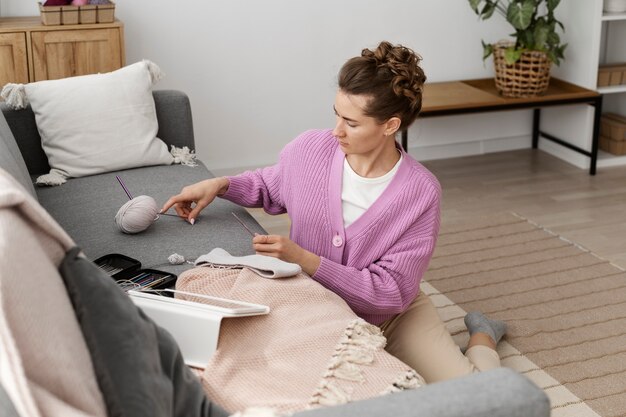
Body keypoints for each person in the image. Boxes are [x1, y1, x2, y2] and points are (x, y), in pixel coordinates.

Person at [161, 40, 506, 383]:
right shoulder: (311, 148)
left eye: (352, 123)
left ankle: (483, 335)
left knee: (484, 394)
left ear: (389, 125)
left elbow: (391, 292)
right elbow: (270, 185)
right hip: (316, 310)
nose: (337, 130)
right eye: (336, 114)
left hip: (390, 315)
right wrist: (220, 185)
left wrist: (305, 259)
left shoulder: (420, 192)